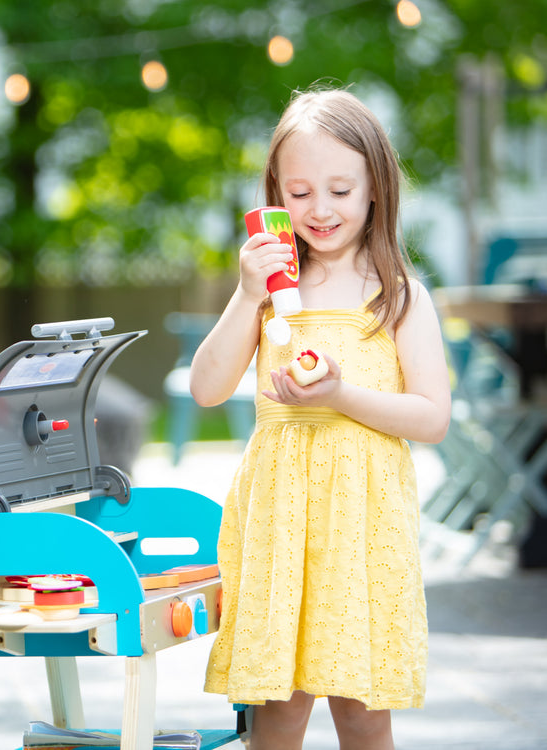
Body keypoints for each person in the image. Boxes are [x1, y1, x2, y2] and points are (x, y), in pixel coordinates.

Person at [189, 87, 451, 750]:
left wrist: (341, 398)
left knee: (362, 707)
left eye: (339, 189)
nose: (321, 209)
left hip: (362, 523)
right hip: (281, 518)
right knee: (277, 702)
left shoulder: (397, 297)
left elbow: (431, 417)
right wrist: (247, 295)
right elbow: (206, 388)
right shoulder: (271, 293)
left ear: (374, 189)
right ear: (275, 194)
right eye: (299, 192)